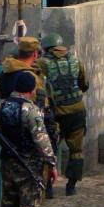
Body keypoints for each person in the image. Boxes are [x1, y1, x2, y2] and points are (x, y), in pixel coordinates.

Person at [0, 71, 58, 207]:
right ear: (31, 90)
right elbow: (41, 140)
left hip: (8, 163)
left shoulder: (0, 106)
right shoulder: (31, 110)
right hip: (29, 165)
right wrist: (51, 163)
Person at [0, 37, 59, 194]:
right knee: (31, 199)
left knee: (9, 200)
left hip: (9, 145)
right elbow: (42, 109)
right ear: (35, 54)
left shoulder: (5, 73)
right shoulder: (31, 78)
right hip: (30, 148)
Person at [36, 33, 89, 196]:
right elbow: (84, 85)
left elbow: (37, 84)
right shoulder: (75, 61)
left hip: (56, 113)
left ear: (46, 48)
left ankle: (48, 188)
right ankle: (71, 187)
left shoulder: (42, 63)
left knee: (49, 149)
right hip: (77, 110)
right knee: (76, 150)